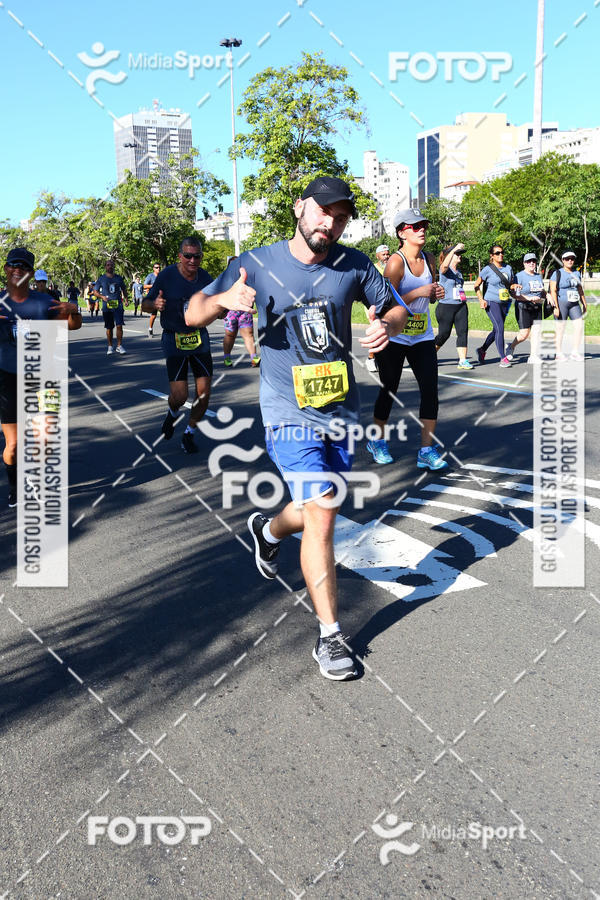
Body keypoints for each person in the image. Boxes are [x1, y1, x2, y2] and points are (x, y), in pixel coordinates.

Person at [184, 175, 409, 681]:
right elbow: (191, 311)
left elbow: (397, 307)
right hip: (288, 415)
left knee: (313, 510)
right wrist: (223, 302)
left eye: (342, 214)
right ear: (298, 209)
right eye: (323, 210)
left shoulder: (354, 265)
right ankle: (331, 637)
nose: (331, 221)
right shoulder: (256, 263)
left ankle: (267, 528)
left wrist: (386, 325)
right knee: (325, 508)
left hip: (339, 412)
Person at [366, 207, 447, 469]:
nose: (422, 229)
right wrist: (417, 292)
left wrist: (435, 292)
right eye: (415, 226)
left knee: (430, 391)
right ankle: (376, 440)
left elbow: (430, 298)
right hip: (396, 335)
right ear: (402, 232)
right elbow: (386, 303)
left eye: (424, 225)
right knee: (390, 388)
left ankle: (426, 449)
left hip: (422, 333)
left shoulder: (430, 258)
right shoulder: (395, 262)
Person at [0, 248, 81, 507]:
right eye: (13, 264)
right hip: (7, 380)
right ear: (5, 269)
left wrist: (75, 310)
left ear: (31, 273)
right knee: (13, 446)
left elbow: (73, 325)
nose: (17, 269)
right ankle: (15, 487)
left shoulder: (44, 303)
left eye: (23, 266)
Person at [143, 238, 213, 454]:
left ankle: (189, 434)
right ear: (179, 256)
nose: (193, 260)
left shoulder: (205, 278)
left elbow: (217, 304)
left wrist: (222, 309)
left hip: (199, 338)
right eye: (188, 256)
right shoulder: (166, 276)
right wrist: (154, 304)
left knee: (203, 395)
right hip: (174, 339)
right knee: (180, 396)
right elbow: (145, 304)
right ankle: (172, 414)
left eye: (197, 256)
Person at [474, 245, 518, 367]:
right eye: (497, 253)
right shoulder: (487, 269)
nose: (500, 255)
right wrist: (481, 299)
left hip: (505, 302)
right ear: (492, 255)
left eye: (502, 252)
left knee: (497, 329)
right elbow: (476, 285)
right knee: (500, 327)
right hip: (491, 301)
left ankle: (482, 350)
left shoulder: (508, 268)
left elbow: (510, 285)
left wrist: (514, 287)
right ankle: (503, 358)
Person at [435, 242, 472, 370]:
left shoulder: (459, 272)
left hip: (460, 306)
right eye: (457, 254)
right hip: (446, 307)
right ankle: (429, 355)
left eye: (460, 254)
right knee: (444, 334)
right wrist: (454, 249)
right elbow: (444, 265)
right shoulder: (444, 269)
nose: (460, 256)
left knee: (463, 332)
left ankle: (463, 360)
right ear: (449, 256)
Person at [505, 253, 546, 363]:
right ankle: (511, 346)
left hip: (537, 307)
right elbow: (514, 294)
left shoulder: (538, 276)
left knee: (536, 332)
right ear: (524, 263)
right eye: (529, 261)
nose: (531, 263)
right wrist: (529, 298)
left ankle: (533, 356)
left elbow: (541, 290)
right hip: (523, 306)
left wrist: (548, 296)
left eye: (533, 261)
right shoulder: (519, 276)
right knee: (524, 334)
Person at [549, 251, 587, 361]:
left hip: (574, 304)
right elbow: (553, 291)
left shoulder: (577, 273)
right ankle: (558, 353)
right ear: (563, 260)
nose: (570, 260)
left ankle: (575, 352)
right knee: (561, 328)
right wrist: (556, 307)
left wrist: (584, 303)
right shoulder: (557, 273)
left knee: (579, 326)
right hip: (561, 304)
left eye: (572, 259)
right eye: (567, 259)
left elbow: (580, 289)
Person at [93, 259, 127, 355]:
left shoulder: (119, 278)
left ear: (114, 266)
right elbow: (95, 291)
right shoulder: (101, 279)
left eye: (111, 265)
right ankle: (110, 346)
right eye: (108, 265)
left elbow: (124, 289)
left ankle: (119, 346)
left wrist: (126, 299)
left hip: (118, 305)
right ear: (105, 267)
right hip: (106, 306)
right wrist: (101, 297)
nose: (110, 266)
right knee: (109, 327)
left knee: (119, 325)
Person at [366, 244, 391, 373]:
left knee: (388, 333)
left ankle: (385, 359)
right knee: (377, 333)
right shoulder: (373, 268)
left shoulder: (392, 267)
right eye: (383, 254)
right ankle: (371, 358)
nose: (386, 257)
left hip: (389, 304)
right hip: (374, 305)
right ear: (377, 256)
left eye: (388, 254)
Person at [144, 263, 161, 336]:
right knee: (154, 315)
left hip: (161, 297)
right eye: (156, 267)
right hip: (153, 298)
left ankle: (168, 329)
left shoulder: (162, 276)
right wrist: (153, 285)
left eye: (159, 267)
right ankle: (150, 328)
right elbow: (144, 286)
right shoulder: (150, 276)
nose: (158, 269)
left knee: (167, 313)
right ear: (153, 268)